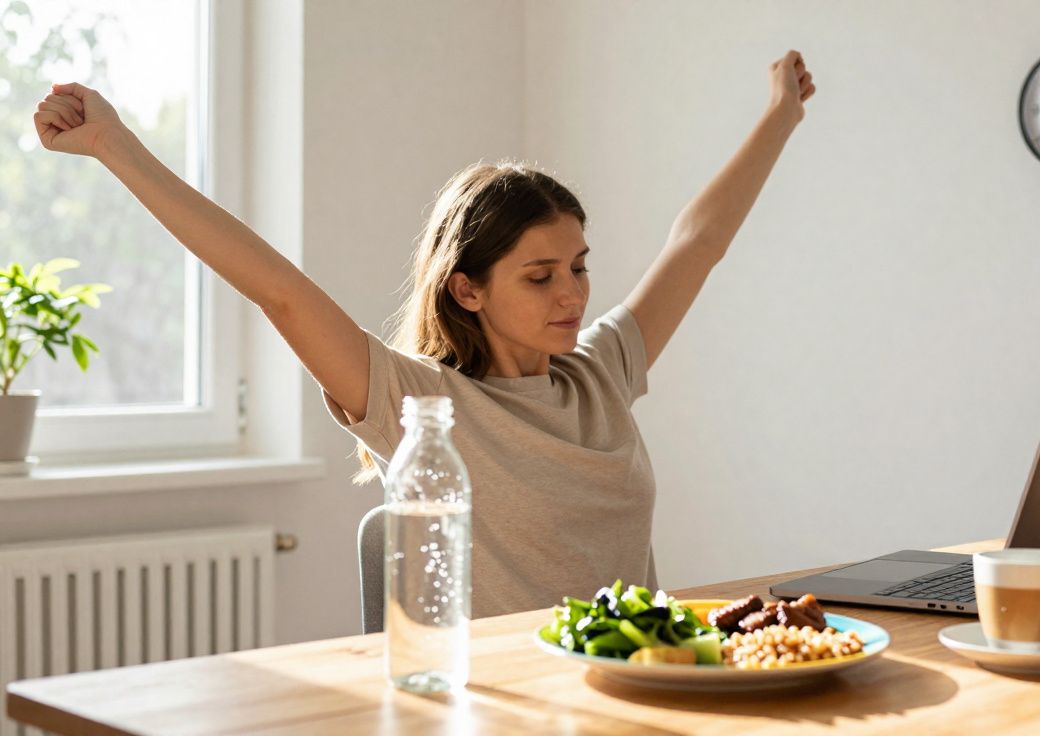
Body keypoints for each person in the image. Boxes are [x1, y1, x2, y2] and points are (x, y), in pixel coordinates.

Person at [34, 50, 817, 617]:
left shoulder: (600, 372)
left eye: (578, 267)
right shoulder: (418, 407)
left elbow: (697, 243)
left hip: (628, 691)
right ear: (466, 288)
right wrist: (114, 146)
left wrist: (780, 115)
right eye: (539, 276)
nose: (572, 293)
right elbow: (276, 290)